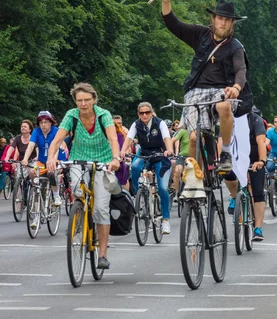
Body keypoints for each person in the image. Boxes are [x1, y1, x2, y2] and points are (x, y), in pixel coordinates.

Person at [158, 0, 253, 171]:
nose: (223, 23)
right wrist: (166, 0)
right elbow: (174, 25)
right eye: (220, 18)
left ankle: (225, 152)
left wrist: (236, 87)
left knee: (224, 105)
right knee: (194, 138)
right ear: (213, 19)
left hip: (222, 91)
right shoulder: (201, 34)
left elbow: (241, 70)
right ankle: (197, 181)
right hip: (196, 92)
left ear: (232, 23)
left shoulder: (236, 47)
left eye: (227, 20)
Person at [47, 84, 121, 270]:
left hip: (103, 162)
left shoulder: (103, 115)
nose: (83, 103)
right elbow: (57, 141)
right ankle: (78, 217)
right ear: (75, 101)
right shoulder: (71, 115)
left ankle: (102, 254)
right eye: (79, 100)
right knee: (79, 192)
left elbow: (113, 139)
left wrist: (115, 158)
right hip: (78, 160)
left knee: (102, 208)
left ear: (94, 100)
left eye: (87, 100)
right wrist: (51, 158)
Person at [120, 102, 174, 235]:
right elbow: (129, 138)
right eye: (141, 113)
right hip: (145, 154)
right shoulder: (136, 124)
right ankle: (141, 196)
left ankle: (166, 220)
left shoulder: (159, 123)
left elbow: (167, 137)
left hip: (160, 155)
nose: (144, 115)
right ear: (138, 114)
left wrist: (169, 150)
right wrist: (122, 151)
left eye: (147, 112)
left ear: (151, 112)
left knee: (162, 188)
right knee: (134, 166)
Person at [224, 110, 267, 241]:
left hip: (254, 157)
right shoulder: (229, 118)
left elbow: (261, 142)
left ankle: (258, 228)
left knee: (258, 192)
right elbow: (223, 139)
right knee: (226, 173)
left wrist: (262, 161)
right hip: (235, 157)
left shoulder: (256, 120)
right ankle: (233, 196)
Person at [21, 112, 67, 214]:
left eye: (46, 122)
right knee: (32, 172)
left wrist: (53, 160)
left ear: (51, 122)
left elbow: (57, 148)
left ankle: (56, 195)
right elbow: (31, 146)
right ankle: (36, 191)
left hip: (55, 159)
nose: (43, 125)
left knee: (51, 173)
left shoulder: (56, 131)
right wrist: (25, 159)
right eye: (41, 122)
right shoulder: (36, 132)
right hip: (42, 161)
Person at [170, 123, 190, 200]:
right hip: (182, 156)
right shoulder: (182, 131)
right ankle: (176, 192)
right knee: (178, 171)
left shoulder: (197, 131)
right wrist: (171, 151)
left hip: (193, 157)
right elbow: (172, 141)